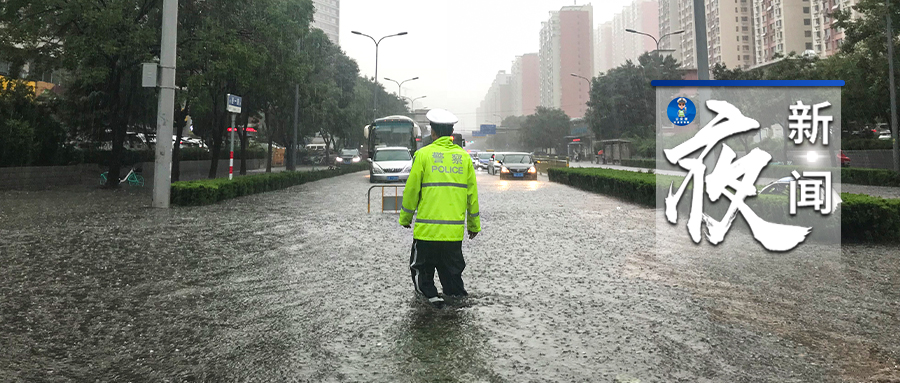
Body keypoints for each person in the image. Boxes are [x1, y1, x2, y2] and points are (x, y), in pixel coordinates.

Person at [399, 109, 481, 309]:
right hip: (452, 236)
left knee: (422, 274)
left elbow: (412, 191)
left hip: (427, 234)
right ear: (451, 132)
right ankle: (456, 312)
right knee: (453, 278)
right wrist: (473, 225)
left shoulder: (423, 155)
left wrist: (405, 218)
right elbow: (472, 196)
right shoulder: (463, 159)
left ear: (433, 132)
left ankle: (432, 309)